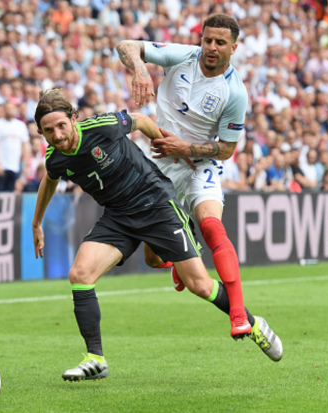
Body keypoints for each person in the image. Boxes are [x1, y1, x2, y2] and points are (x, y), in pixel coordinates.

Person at [32, 89, 282, 382]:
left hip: (156, 204)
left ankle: (253, 324)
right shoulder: (55, 158)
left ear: (74, 119)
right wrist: (37, 223)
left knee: (199, 285)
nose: (57, 135)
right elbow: (49, 180)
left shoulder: (101, 127)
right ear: (41, 132)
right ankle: (96, 359)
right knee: (80, 274)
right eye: (48, 131)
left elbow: (139, 120)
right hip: (118, 217)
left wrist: (165, 144)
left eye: (61, 125)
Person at [116, 14, 255, 339]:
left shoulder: (234, 93)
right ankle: (181, 258)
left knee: (210, 224)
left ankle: (238, 315)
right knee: (152, 258)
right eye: (207, 39)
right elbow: (126, 45)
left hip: (198, 165)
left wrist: (186, 148)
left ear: (233, 48)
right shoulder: (182, 56)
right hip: (160, 165)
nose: (211, 47)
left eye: (220, 42)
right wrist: (140, 70)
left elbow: (226, 150)